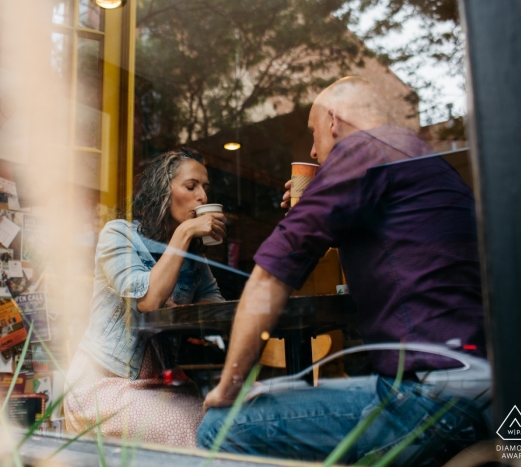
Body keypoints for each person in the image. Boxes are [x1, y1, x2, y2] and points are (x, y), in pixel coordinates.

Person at [197, 77, 489, 464]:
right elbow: (396, 247)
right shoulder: (422, 158)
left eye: (314, 134)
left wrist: (228, 386)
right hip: (485, 389)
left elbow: (270, 274)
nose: (315, 151)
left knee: (221, 427)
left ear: (334, 120)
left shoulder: (361, 150)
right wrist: (317, 207)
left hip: (432, 398)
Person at [65, 147, 226, 447]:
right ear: (163, 192)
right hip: (102, 385)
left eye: (205, 188)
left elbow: (214, 304)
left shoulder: (192, 258)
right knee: (183, 428)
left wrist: (187, 308)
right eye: (191, 187)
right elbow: (149, 301)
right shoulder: (117, 235)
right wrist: (186, 232)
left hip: (163, 384)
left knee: (216, 429)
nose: (202, 196)